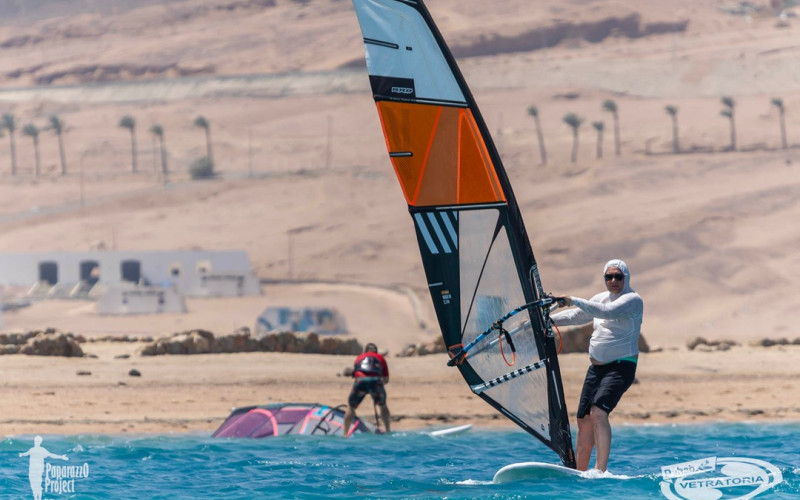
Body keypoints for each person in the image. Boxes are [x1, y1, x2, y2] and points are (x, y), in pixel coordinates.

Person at [551, 259, 643, 472]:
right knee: (583, 419)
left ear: (626, 278)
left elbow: (606, 312)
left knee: (598, 412)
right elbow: (577, 316)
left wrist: (573, 299)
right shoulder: (600, 298)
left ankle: (600, 470)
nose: (613, 280)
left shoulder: (632, 300)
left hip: (621, 366)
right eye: (609, 277)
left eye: (618, 276)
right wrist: (546, 319)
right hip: (596, 369)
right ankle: (579, 472)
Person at [343, 342, 390, 436]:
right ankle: (388, 430)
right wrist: (376, 389)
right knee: (383, 406)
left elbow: (356, 376)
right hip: (376, 382)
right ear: (376, 351)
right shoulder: (380, 358)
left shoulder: (359, 358)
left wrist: (364, 388)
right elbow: (386, 379)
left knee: (351, 407)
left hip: (360, 382)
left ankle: (345, 434)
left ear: (365, 351)